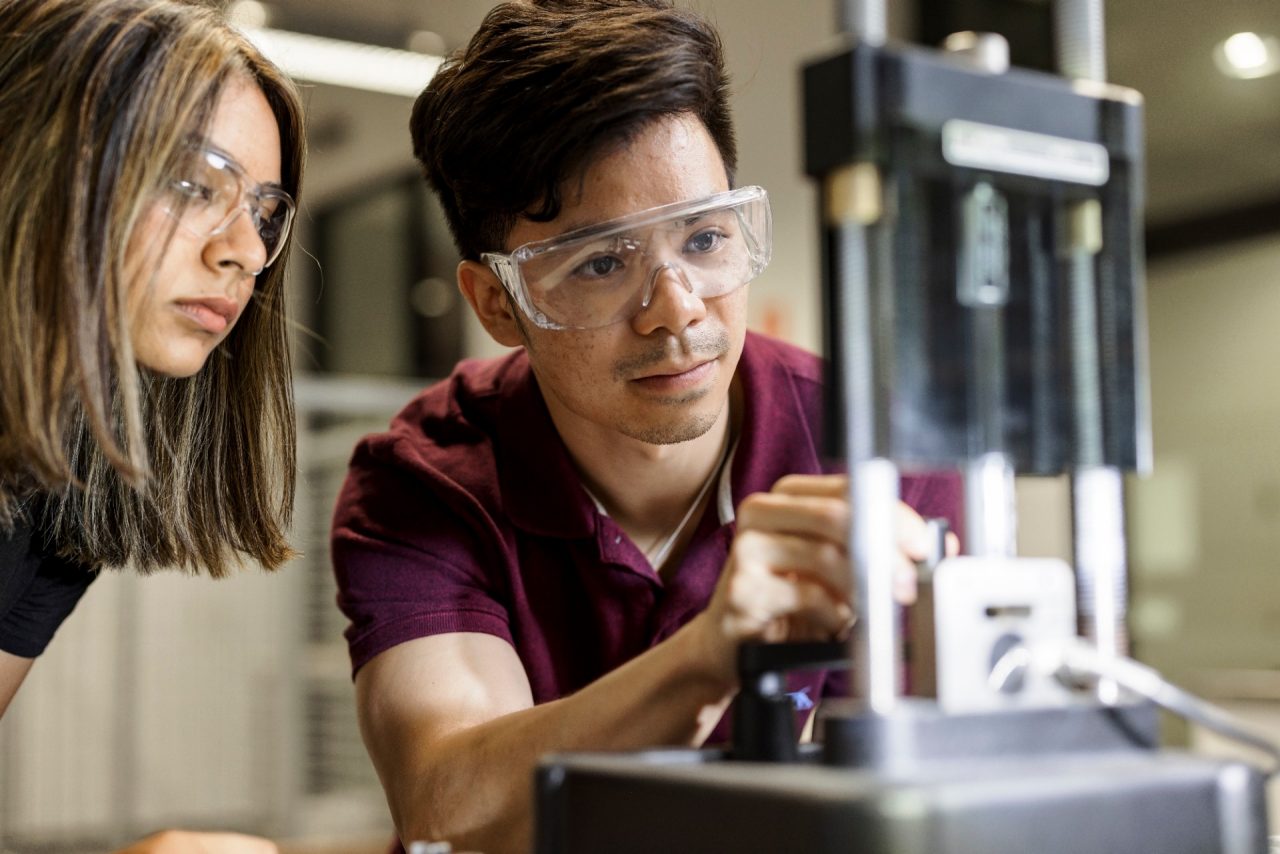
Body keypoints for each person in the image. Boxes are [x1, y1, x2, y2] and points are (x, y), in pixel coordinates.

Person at [331, 2, 960, 852]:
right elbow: (451, 812)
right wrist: (708, 657)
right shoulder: (430, 480)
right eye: (600, 263)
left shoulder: (879, 445)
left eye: (705, 237)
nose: (678, 311)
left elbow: (961, 787)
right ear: (496, 304)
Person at [0, 0, 304, 851]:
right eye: (191, 183)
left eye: (265, 210)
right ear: (40, 154)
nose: (243, 248)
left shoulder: (61, 496)